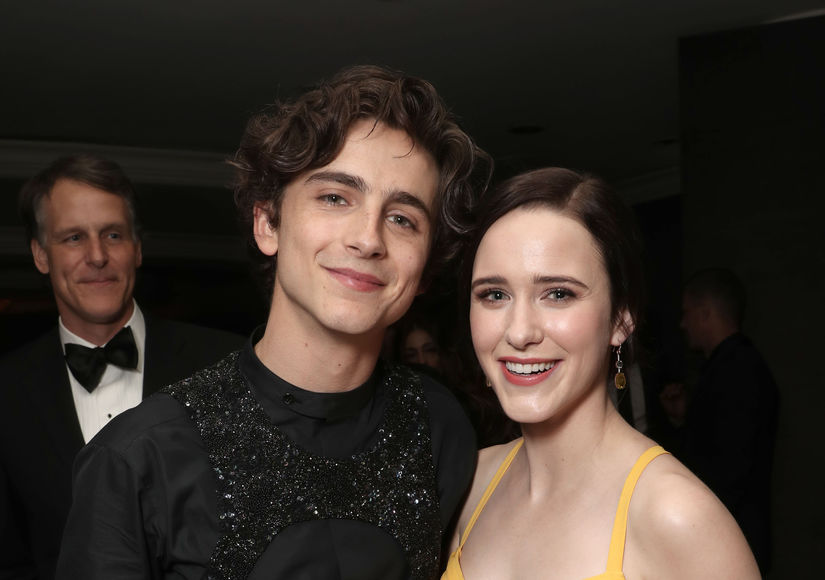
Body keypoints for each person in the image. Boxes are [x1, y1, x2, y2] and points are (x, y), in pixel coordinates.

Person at [56, 65, 491, 580]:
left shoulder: (439, 427)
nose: (368, 239)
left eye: (403, 218)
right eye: (335, 198)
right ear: (267, 223)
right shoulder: (136, 458)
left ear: (423, 270)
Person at [443, 168, 759, 579]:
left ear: (621, 318)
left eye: (558, 294)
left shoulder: (677, 517)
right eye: (494, 294)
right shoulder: (470, 482)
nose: (518, 332)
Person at [0, 154, 243, 580]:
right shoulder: (7, 392)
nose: (97, 256)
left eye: (113, 234)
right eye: (73, 238)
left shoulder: (228, 366)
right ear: (40, 255)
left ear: (137, 248)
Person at [660, 267, 779, 574]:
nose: (682, 324)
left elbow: (729, 468)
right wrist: (684, 418)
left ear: (705, 313)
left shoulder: (738, 370)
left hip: (729, 541)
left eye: (686, 313)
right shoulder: (732, 366)